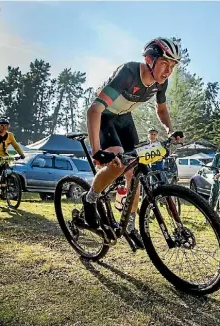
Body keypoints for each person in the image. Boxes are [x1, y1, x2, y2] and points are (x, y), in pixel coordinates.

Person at [84, 37, 184, 249]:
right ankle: (90, 198)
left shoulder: (160, 83)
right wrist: (96, 151)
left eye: (173, 66)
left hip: (125, 119)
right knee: (119, 161)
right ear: (149, 59)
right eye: (165, 63)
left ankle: (129, 224)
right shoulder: (128, 74)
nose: (168, 71)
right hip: (104, 117)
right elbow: (94, 110)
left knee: (136, 169)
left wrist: (170, 130)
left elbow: (162, 110)